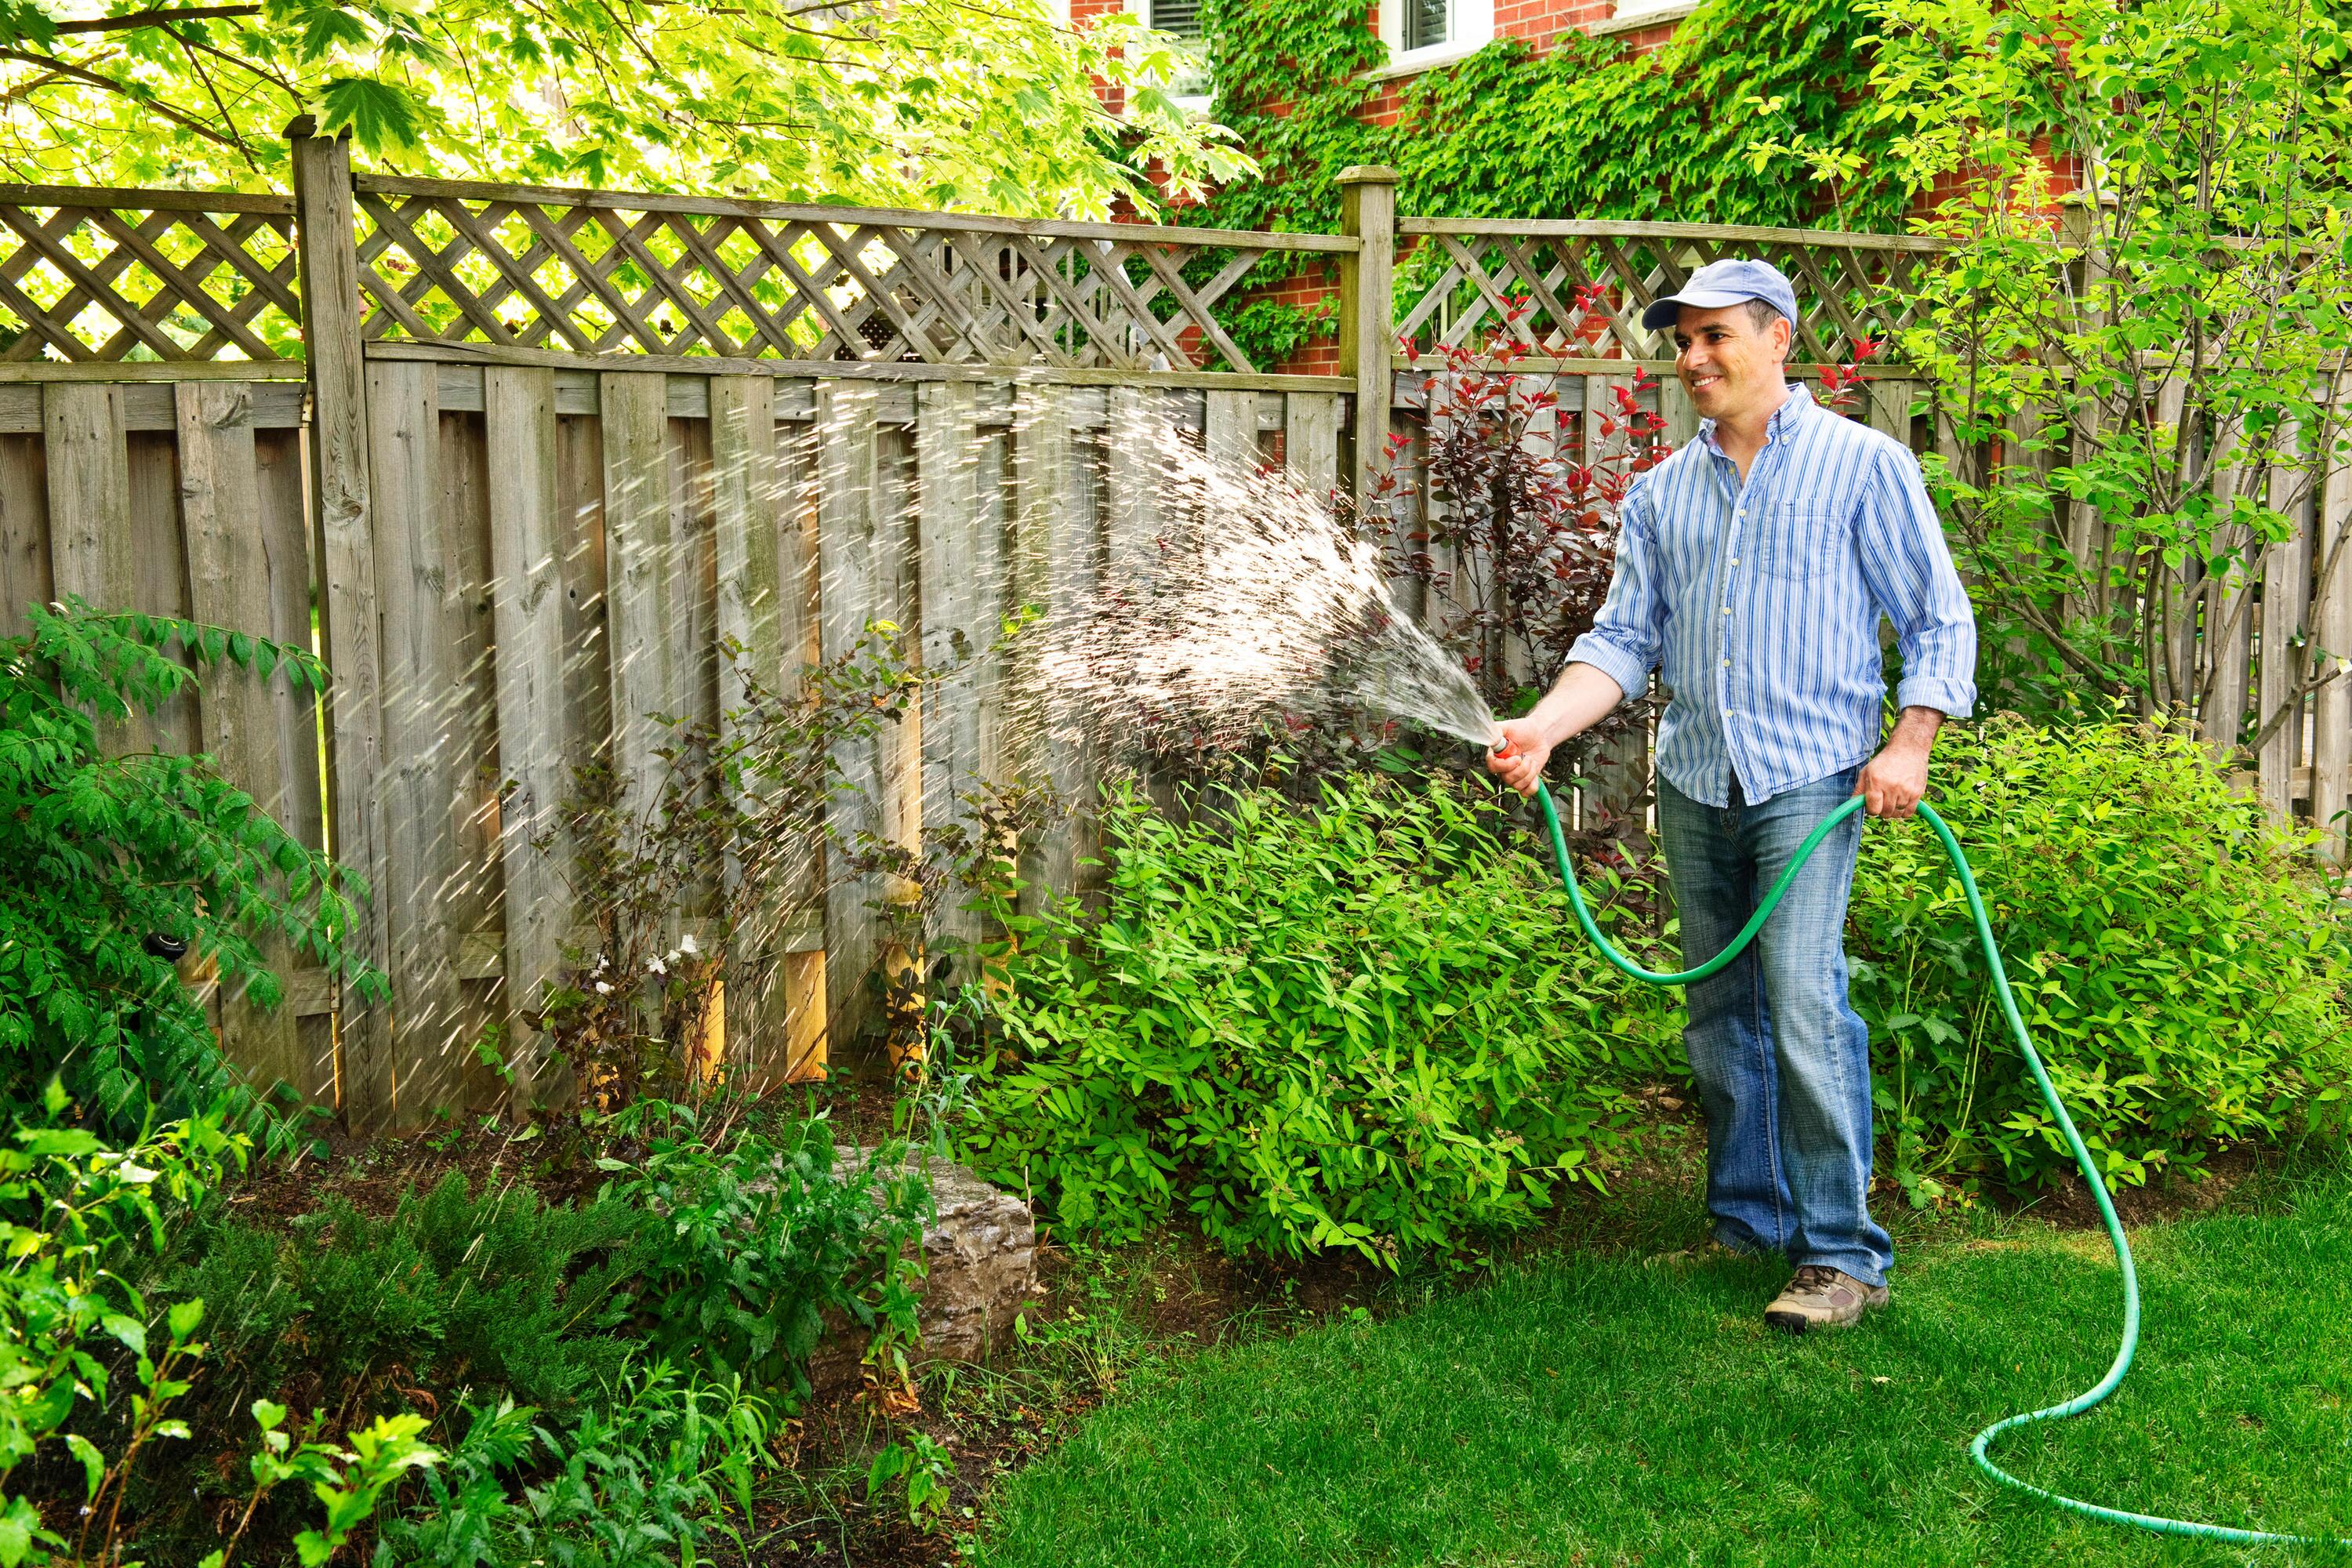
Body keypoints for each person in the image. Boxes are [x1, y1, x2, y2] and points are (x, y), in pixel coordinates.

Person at [1486, 257, 1977, 1334]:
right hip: (1699, 779)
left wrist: (1911, 744)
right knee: (1721, 1010)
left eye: (1716, 337)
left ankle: (1842, 1253)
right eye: (1683, 341)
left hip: (1810, 780)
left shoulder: (1862, 467)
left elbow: (1937, 620)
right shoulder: (1663, 492)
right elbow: (1621, 643)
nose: (1695, 358)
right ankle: (1749, 1219)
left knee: (1802, 1000)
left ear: (1780, 339)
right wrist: (1544, 729)